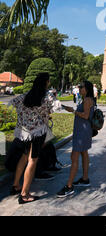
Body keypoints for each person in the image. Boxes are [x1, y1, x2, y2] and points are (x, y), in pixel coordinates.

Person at [9, 73, 54, 204]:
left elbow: (17, 106)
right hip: (37, 133)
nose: (49, 83)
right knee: (32, 160)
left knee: (24, 157)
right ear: (45, 82)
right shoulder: (46, 96)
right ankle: (24, 194)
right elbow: (50, 110)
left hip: (25, 132)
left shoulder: (27, 95)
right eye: (48, 81)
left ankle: (16, 185)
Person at [57, 81, 95, 198]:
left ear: (87, 89)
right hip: (83, 131)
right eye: (79, 87)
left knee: (74, 157)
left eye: (81, 87)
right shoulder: (86, 99)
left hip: (82, 132)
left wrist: (72, 111)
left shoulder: (88, 100)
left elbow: (86, 116)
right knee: (84, 154)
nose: (79, 88)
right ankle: (85, 179)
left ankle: (69, 186)